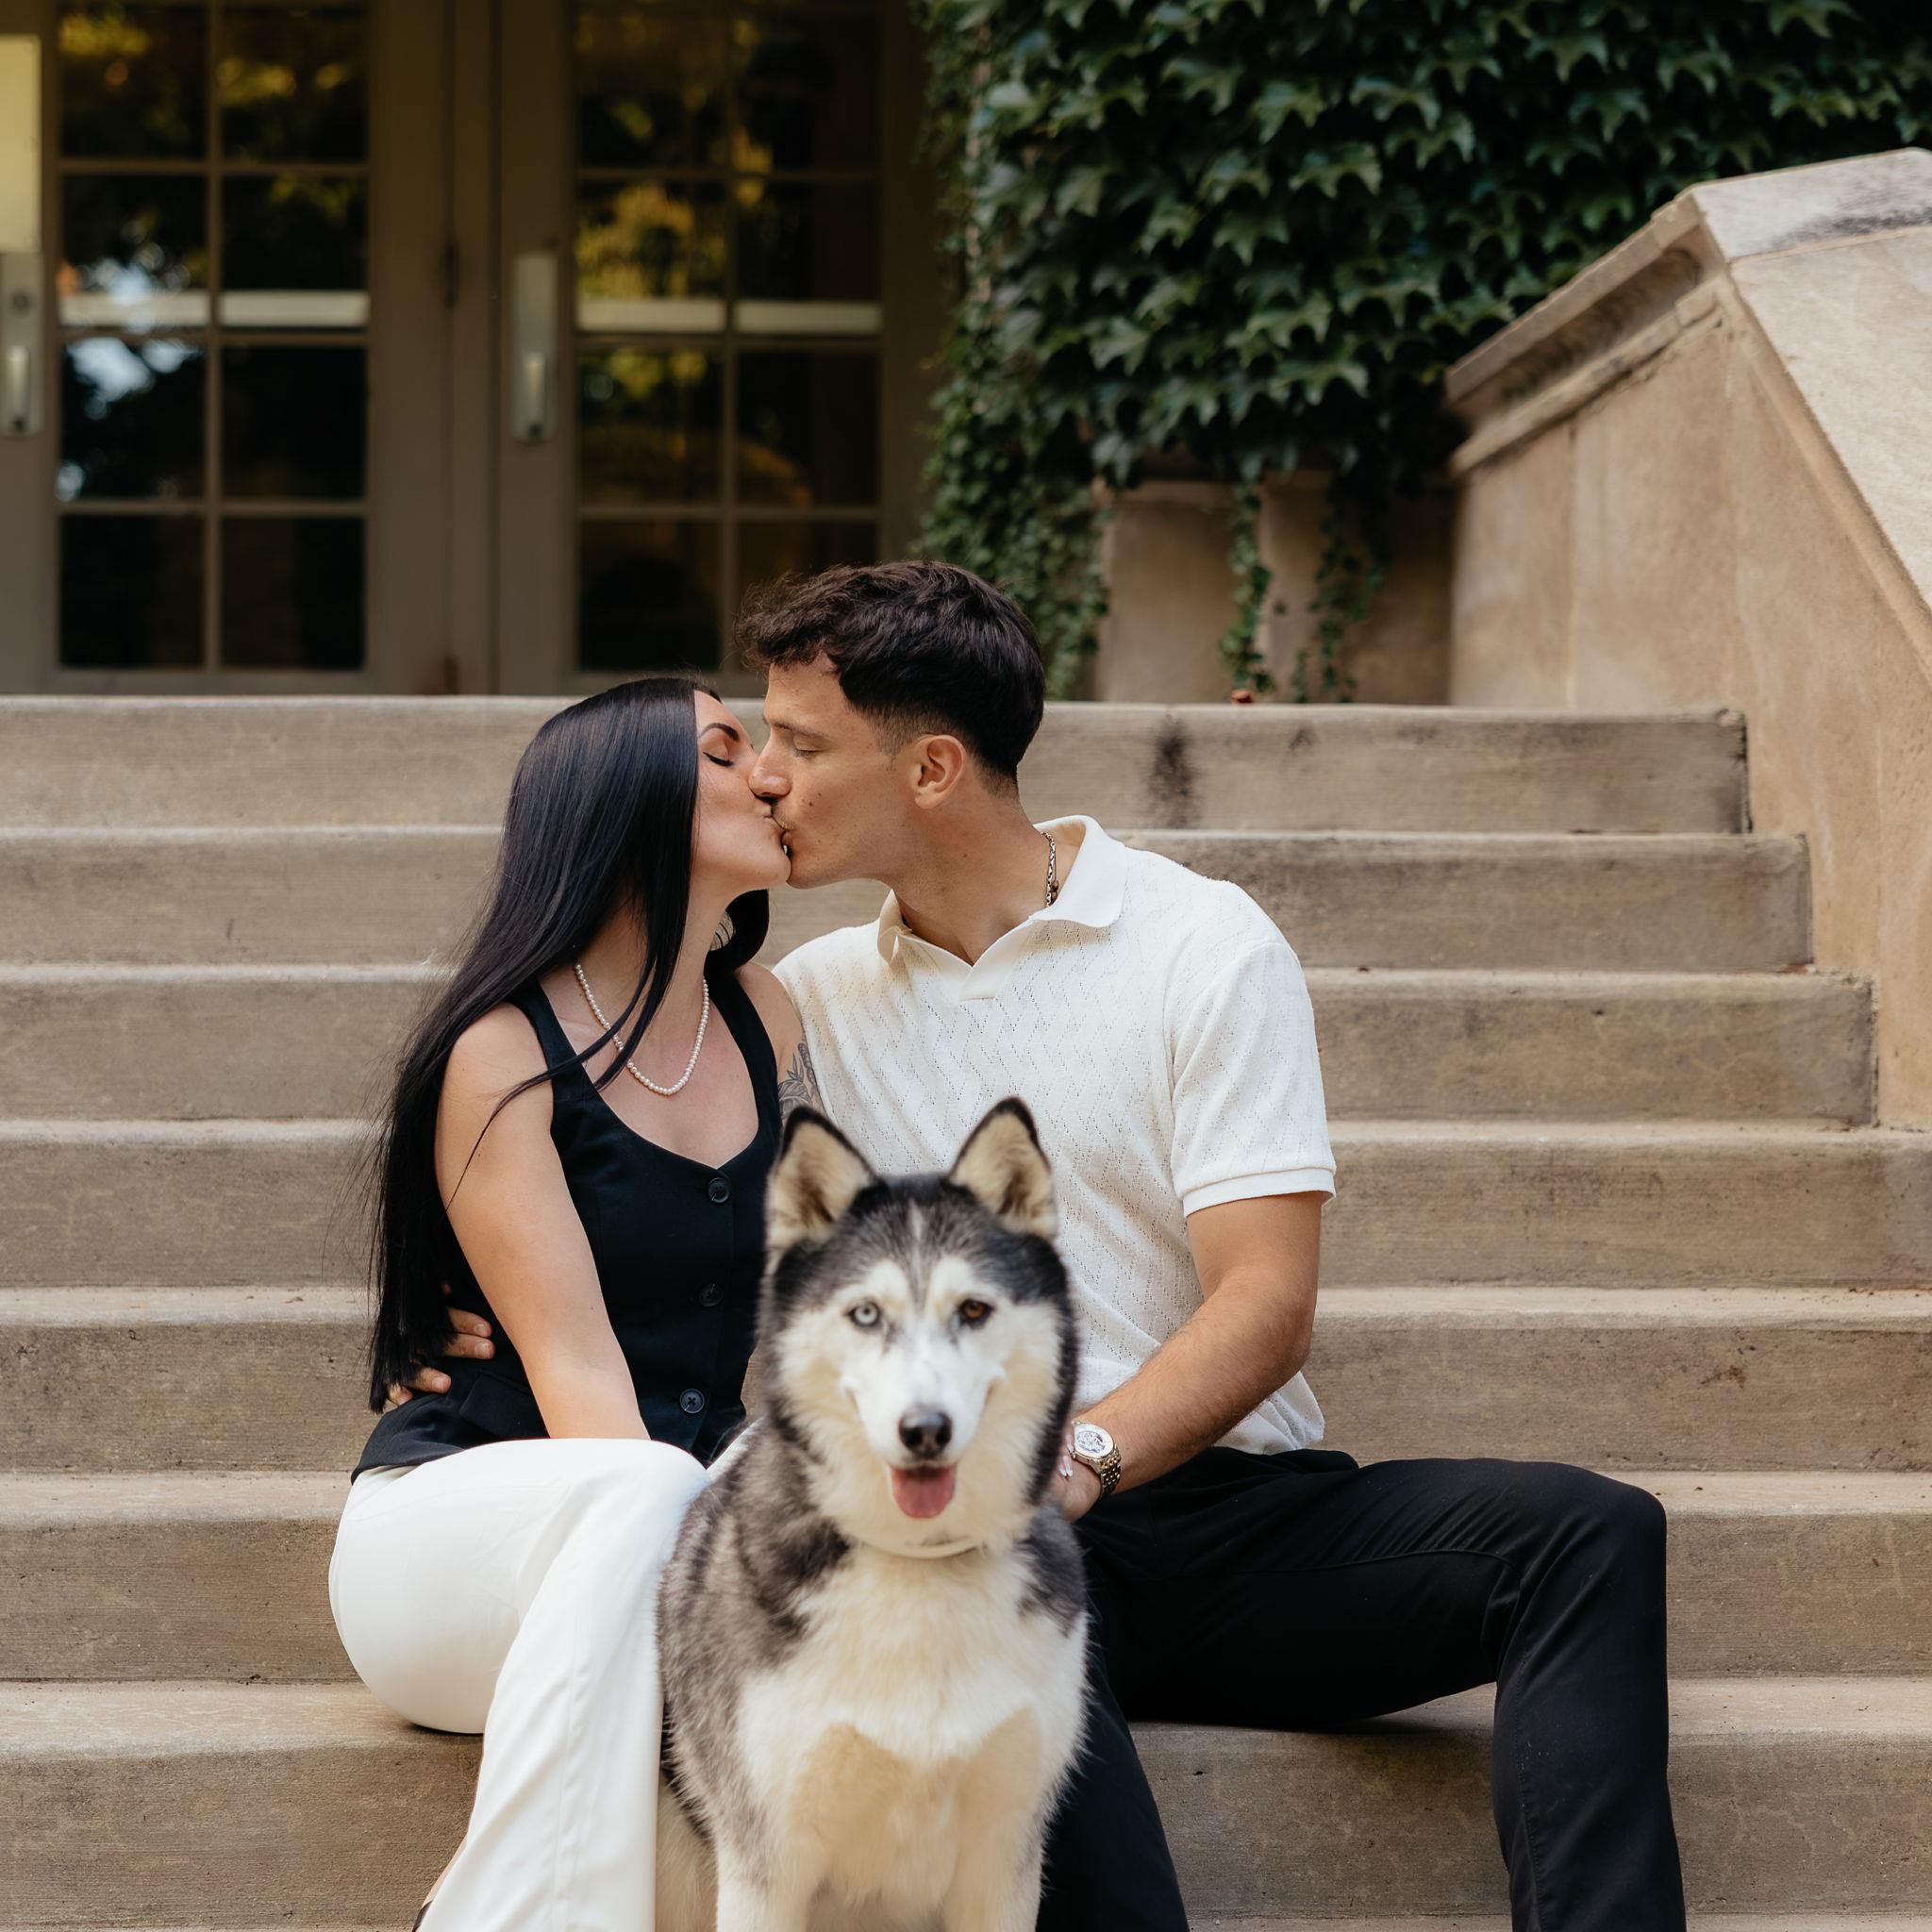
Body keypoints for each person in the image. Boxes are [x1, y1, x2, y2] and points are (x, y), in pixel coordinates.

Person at [407, 561, 1687, 1932]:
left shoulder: (1201, 944)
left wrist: (1080, 1460)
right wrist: (450, 1302)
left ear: (932, 770)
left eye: (802, 744)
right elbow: (654, 1193)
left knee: (1590, 1534)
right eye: (759, 743)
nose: (766, 775)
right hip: (959, 1536)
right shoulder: (803, 1010)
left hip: (1214, 1509)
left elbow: (1266, 1304)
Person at [326, 675, 817, 1931]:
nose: (768, 772)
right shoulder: (504, 1050)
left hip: (657, 1540)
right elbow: (580, 1379)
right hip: (460, 1552)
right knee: (651, 1484)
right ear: (625, 801)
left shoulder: (766, 1020)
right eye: (726, 750)